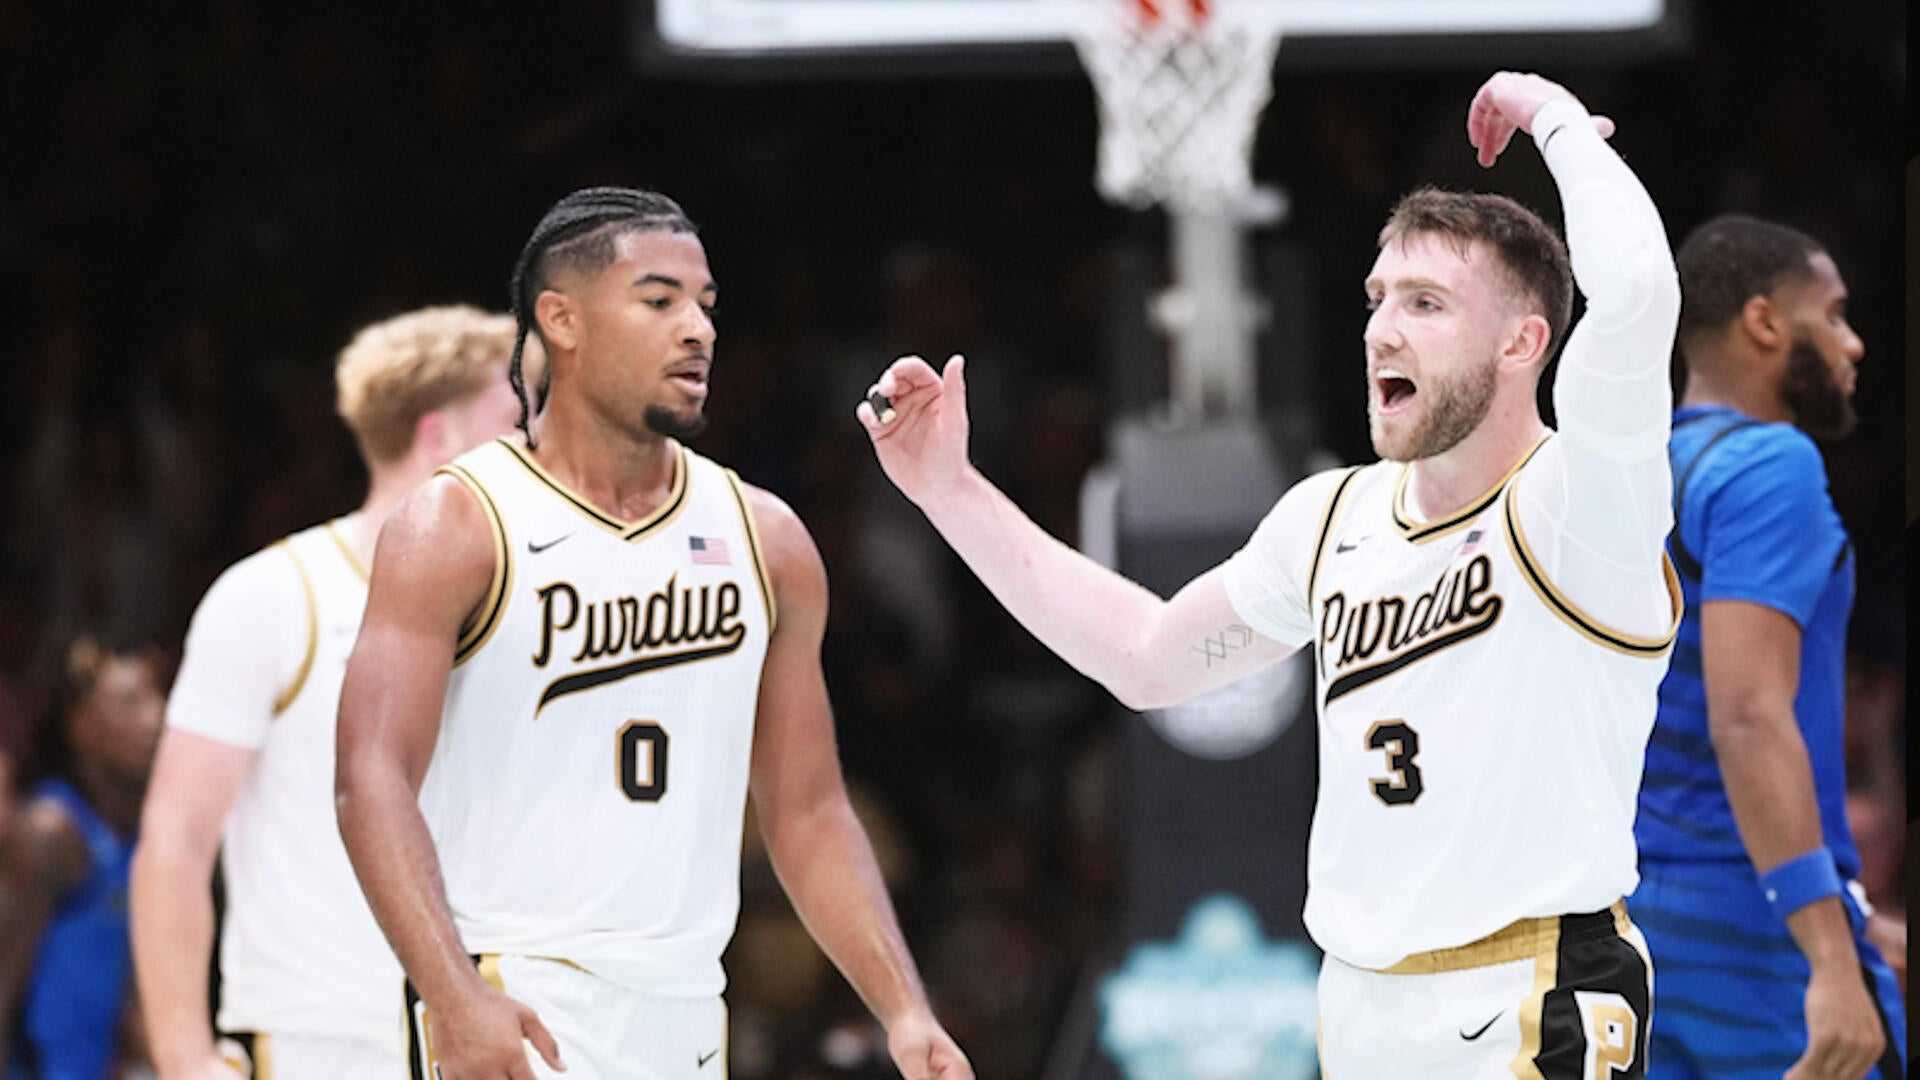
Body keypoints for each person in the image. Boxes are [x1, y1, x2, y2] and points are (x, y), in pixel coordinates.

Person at [859, 72, 1677, 1076]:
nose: (1382, 328)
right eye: (1379, 299)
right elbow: (1146, 658)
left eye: (1427, 303)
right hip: (1361, 1006)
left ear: (1523, 341)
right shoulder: (1332, 517)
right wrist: (951, 490)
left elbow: (1637, 293)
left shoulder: (1583, 507)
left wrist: (1551, 118)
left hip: (1530, 993)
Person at [335, 187, 970, 1080]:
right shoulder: (459, 522)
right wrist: (451, 994)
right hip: (515, 1000)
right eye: (660, 300)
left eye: (706, 306)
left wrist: (904, 1008)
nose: (699, 331)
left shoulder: (767, 539)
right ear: (561, 320)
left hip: (686, 1012)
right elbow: (370, 777)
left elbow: (809, 811)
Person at [131, 306, 534, 1080]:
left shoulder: (533, 601)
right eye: (514, 421)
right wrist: (183, 1057)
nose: (537, 445)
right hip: (326, 1040)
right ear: (438, 434)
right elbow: (177, 839)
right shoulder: (272, 596)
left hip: (497, 1030)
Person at [1630, 214, 1904, 1079]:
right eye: (1834, 315)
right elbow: (1747, 718)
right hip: (1755, 929)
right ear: (1764, 323)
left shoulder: (1629, 475)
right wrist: (1826, 953)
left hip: (1636, 929)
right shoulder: (1768, 464)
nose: (1853, 344)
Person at [2, 634, 165, 1079]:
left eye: (156, 694)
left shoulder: (141, 841)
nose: (156, 717)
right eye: (131, 702)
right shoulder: (51, 834)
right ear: (82, 726)